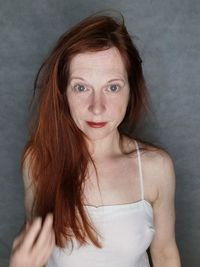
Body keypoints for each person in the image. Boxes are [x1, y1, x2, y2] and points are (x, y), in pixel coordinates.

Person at [9, 13, 181, 267]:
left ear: (131, 89)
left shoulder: (157, 168)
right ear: (63, 92)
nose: (97, 108)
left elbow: (165, 255)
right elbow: (33, 252)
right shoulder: (37, 162)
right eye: (81, 87)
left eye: (112, 87)